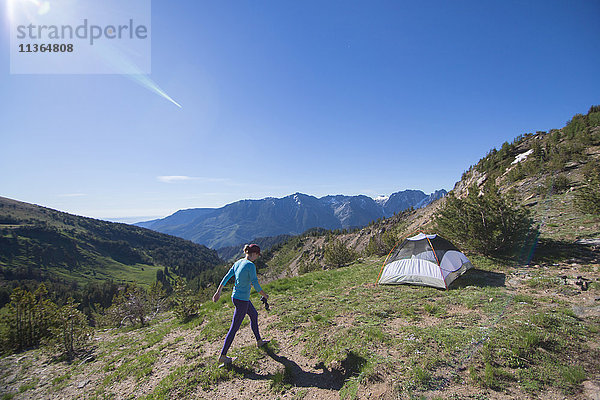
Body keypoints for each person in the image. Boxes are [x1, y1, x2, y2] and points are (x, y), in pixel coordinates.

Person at [212, 243, 269, 365]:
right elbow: (256, 284)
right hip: (242, 300)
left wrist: (218, 292)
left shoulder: (238, 262)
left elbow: (227, 277)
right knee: (234, 328)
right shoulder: (250, 266)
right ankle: (223, 355)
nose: (257, 257)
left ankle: (259, 341)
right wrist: (265, 295)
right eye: (257, 255)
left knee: (254, 315)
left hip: (237, 297)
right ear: (253, 254)